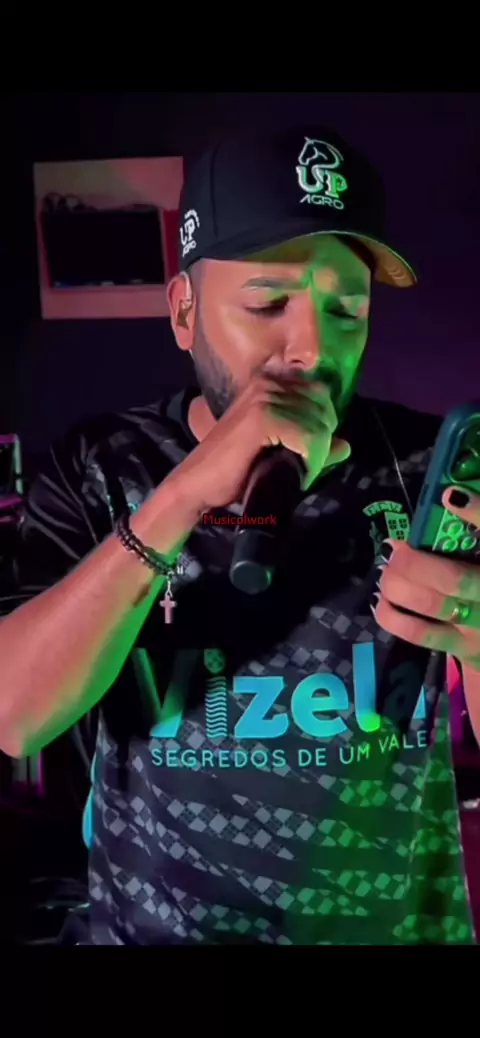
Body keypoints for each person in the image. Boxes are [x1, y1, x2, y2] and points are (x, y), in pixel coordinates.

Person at [1, 125, 480, 946]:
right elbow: (16, 715)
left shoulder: (433, 469)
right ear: (185, 312)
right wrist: (181, 497)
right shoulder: (100, 466)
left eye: (347, 309)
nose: (313, 348)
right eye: (267, 304)